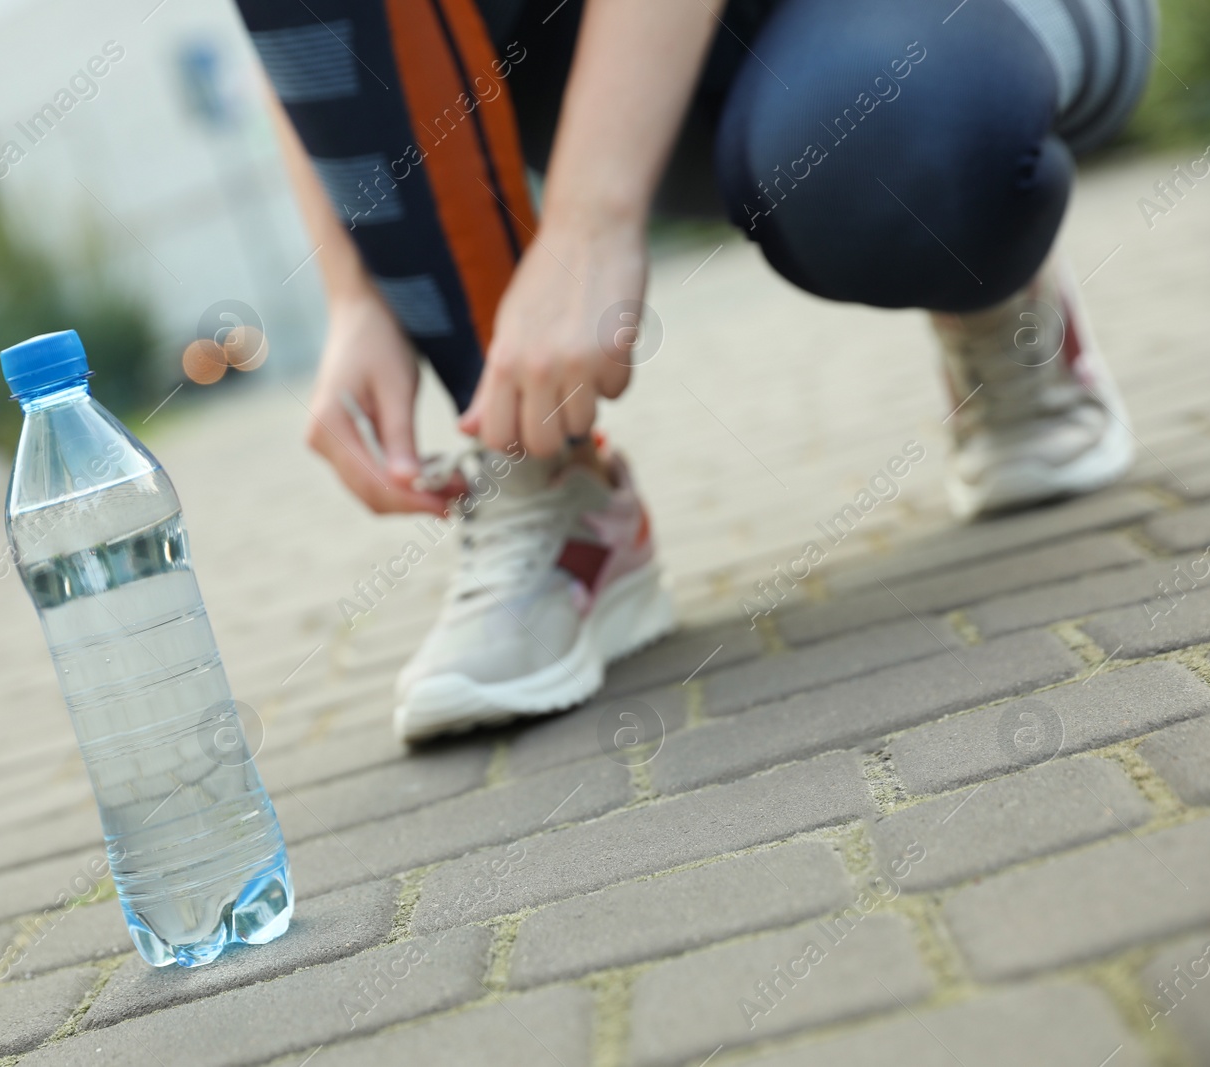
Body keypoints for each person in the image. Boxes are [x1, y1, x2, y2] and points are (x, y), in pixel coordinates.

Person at [232, 0, 1156, 742]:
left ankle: (995, 287)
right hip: (645, 67)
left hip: (944, 35)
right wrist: (356, 290)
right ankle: (547, 480)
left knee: (905, 149)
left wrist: (593, 216)